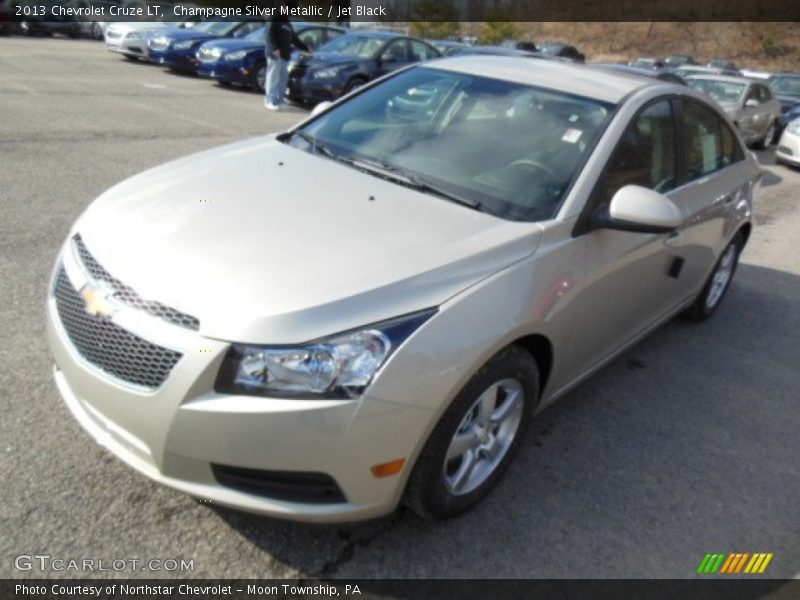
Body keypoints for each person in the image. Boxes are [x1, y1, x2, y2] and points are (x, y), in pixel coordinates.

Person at [264, 3, 310, 111]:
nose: (290, 13)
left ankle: (279, 100)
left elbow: (293, 38)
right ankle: (269, 100)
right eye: (289, 10)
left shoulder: (287, 22)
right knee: (273, 78)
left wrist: (305, 47)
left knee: (282, 79)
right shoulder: (274, 17)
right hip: (275, 54)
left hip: (285, 55)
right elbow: (269, 34)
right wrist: (274, 48)